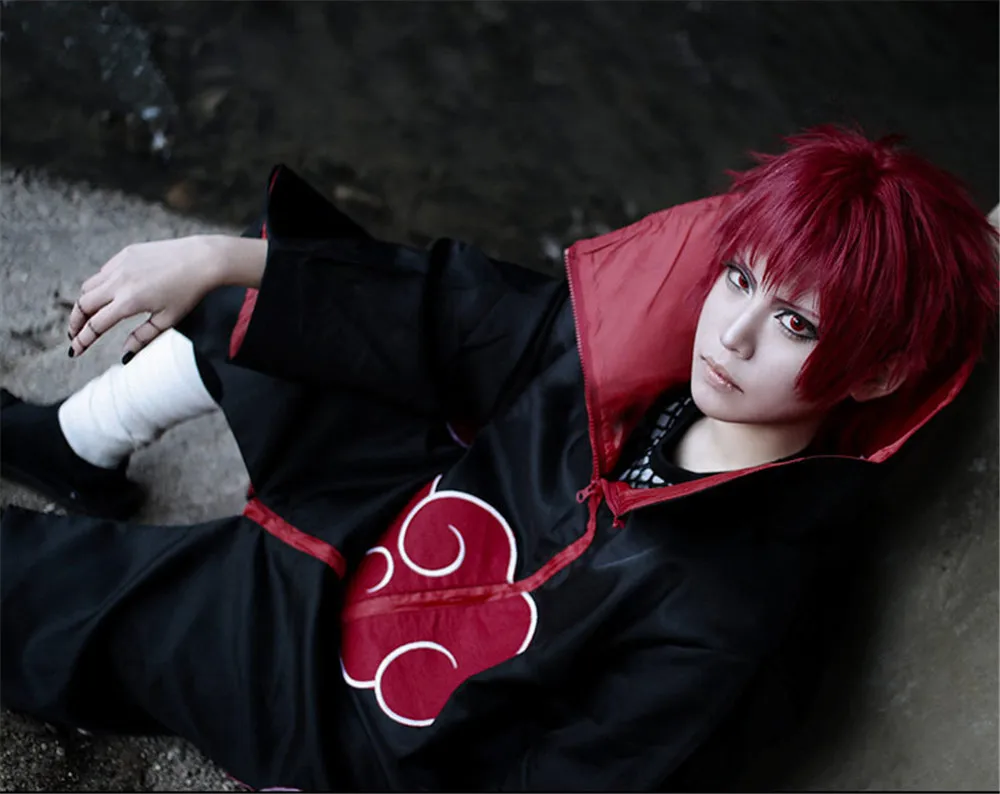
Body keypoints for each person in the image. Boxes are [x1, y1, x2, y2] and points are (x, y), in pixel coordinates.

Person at [1, 126, 996, 792]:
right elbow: (450, 312)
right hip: (388, 509)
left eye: (793, 322)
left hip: (339, 706)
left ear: (879, 373)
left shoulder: (728, 601)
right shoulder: (642, 369)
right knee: (271, 308)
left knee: (39, 591)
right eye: (737, 277)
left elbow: (568, 777)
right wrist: (219, 256)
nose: (730, 335)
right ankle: (78, 447)